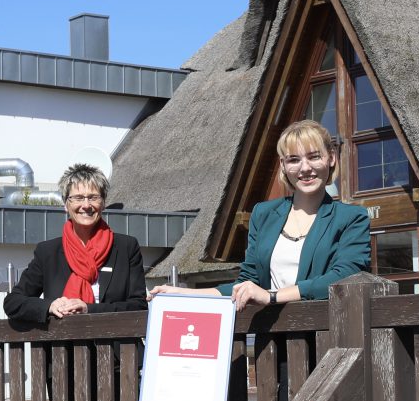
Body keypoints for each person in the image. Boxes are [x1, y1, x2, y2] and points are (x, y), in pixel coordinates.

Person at [156, 119, 372, 309]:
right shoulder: (264, 213)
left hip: (327, 336)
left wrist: (271, 296)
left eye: (314, 157)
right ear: (283, 165)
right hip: (271, 342)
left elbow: (344, 277)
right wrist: (184, 293)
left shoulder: (351, 217)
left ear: (331, 158)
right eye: (294, 160)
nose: (305, 168)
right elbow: (248, 282)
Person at [4, 163, 147, 327]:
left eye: (93, 197)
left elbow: (139, 306)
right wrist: (49, 306)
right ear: (66, 204)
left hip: (116, 349)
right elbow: (13, 302)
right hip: (63, 350)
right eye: (78, 198)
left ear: (103, 203)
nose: (86, 205)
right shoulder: (48, 252)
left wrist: (89, 310)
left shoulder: (125, 247)